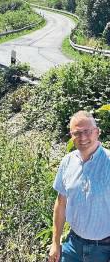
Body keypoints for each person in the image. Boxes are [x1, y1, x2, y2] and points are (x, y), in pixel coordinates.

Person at [48, 110, 110, 262]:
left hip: (103, 249)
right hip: (73, 245)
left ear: (97, 132)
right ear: (71, 136)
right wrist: (55, 243)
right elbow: (60, 203)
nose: (82, 137)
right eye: (76, 133)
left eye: (87, 131)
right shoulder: (67, 162)